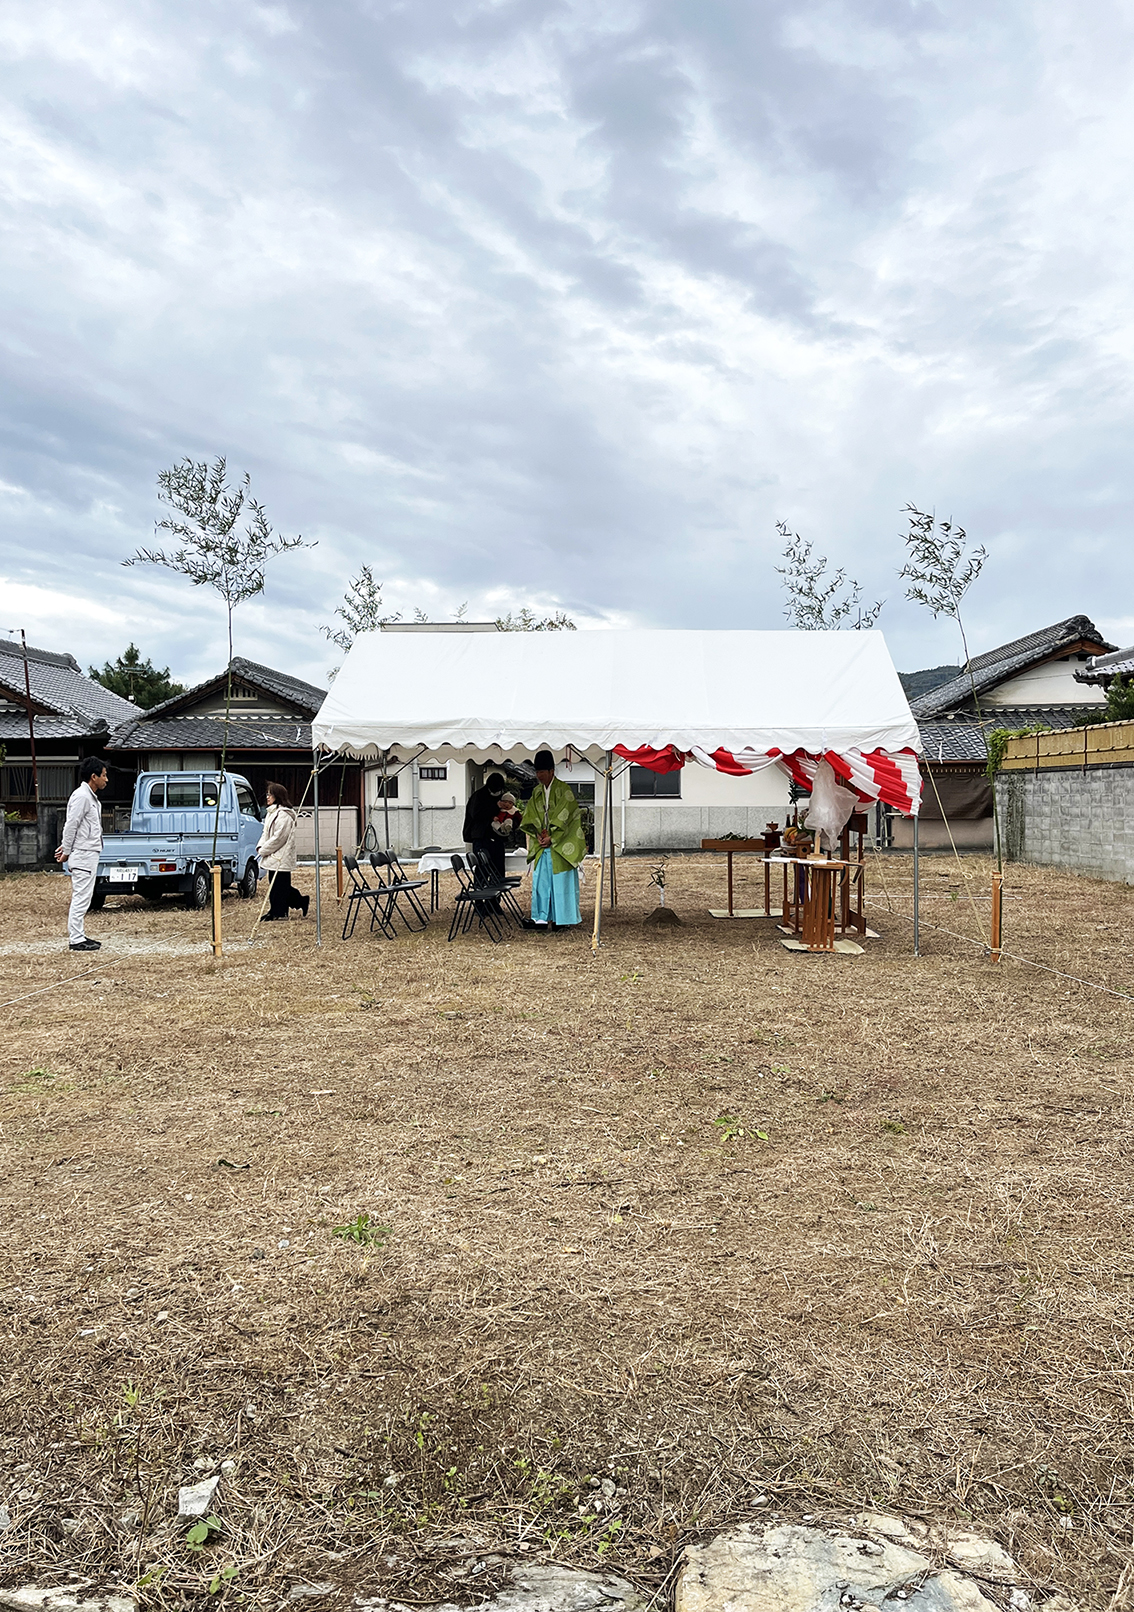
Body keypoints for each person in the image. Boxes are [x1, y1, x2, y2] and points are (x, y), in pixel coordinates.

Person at [519, 749, 586, 929]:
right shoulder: (537, 792)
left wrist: (553, 837)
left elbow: (567, 817)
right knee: (542, 884)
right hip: (543, 846)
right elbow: (531, 815)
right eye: (537, 772)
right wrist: (540, 835)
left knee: (560, 885)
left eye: (542, 772)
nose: (539, 776)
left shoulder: (564, 791)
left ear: (551, 771)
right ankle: (540, 919)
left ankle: (561, 921)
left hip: (560, 847)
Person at [55, 756, 109, 951]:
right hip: (83, 854)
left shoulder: (89, 797)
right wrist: (66, 850)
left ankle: (79, 935)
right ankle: (76, 939)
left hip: (89, 852)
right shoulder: (82, 796)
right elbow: (71, 825)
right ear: (93, 777)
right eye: (103, 775)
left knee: (85, 896)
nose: (106, 779)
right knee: (81, 897)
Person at [257, 782, 309, 920]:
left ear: (277, 796)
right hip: (274, 854)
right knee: (277, 885)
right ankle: (284, 908)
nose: (267, 797)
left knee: (280, 886)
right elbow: (266, 833)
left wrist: (264, 850)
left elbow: (279, 837)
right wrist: (260, 846)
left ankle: (279, 911)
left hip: (281, 855)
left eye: (270, 794)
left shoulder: (284, 815)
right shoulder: (272, 813)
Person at [463, 771, 509, 884]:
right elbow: (476, 814)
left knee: (498, 870)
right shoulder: (479, 796)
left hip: (497, 838)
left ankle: (494, 900)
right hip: (481, 838)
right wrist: (495, 807)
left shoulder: (501, 796)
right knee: (482, 869)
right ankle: (479, 899)